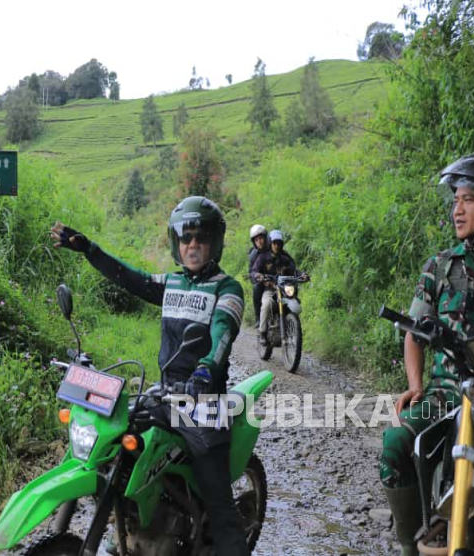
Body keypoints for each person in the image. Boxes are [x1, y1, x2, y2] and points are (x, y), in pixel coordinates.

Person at [50, 195, 249, 556]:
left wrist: (206, 368)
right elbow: (130, 278)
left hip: (203, 402)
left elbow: (222, 334)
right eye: (185, 237)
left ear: (214, 242)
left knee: (220, 505)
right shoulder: (171, 283)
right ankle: (130, 528)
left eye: (200, 237)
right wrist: (89, 250)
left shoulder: (227, 288)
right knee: (119, 450)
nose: (193, 245)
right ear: (176, 242)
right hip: (166, 392)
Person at [380, 152, 474, 556]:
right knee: (395, 443)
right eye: (455, 200)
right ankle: (411, 545)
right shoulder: (440, 267)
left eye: (468, 199)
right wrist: (415, 384)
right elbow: (414, 332)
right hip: (446, 395)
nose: (457, 209)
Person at [252, 230, 297, 344]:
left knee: (294, 300)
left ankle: (292, 326)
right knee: (266, 304)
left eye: (279, 243)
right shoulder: (262, 257)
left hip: (284, 289)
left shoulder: (285, 258)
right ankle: (262, 332)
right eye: (274, 243)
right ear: (270, 243)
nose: (277, 246)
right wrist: (259, 275)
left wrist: (302, 275)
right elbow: (254, 271)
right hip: (270, 289)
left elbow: (295, 270)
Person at [248, 224, 269, 326]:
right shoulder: (253, 255)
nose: (259, 242)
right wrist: (257, 276)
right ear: (254, 242)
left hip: (275, 278)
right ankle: (258, 318)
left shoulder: (273, 248)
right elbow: (250, 272)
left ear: (265, 237)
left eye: (261, 238)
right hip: (262, 281)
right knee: (256, 288)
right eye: (256, 240)